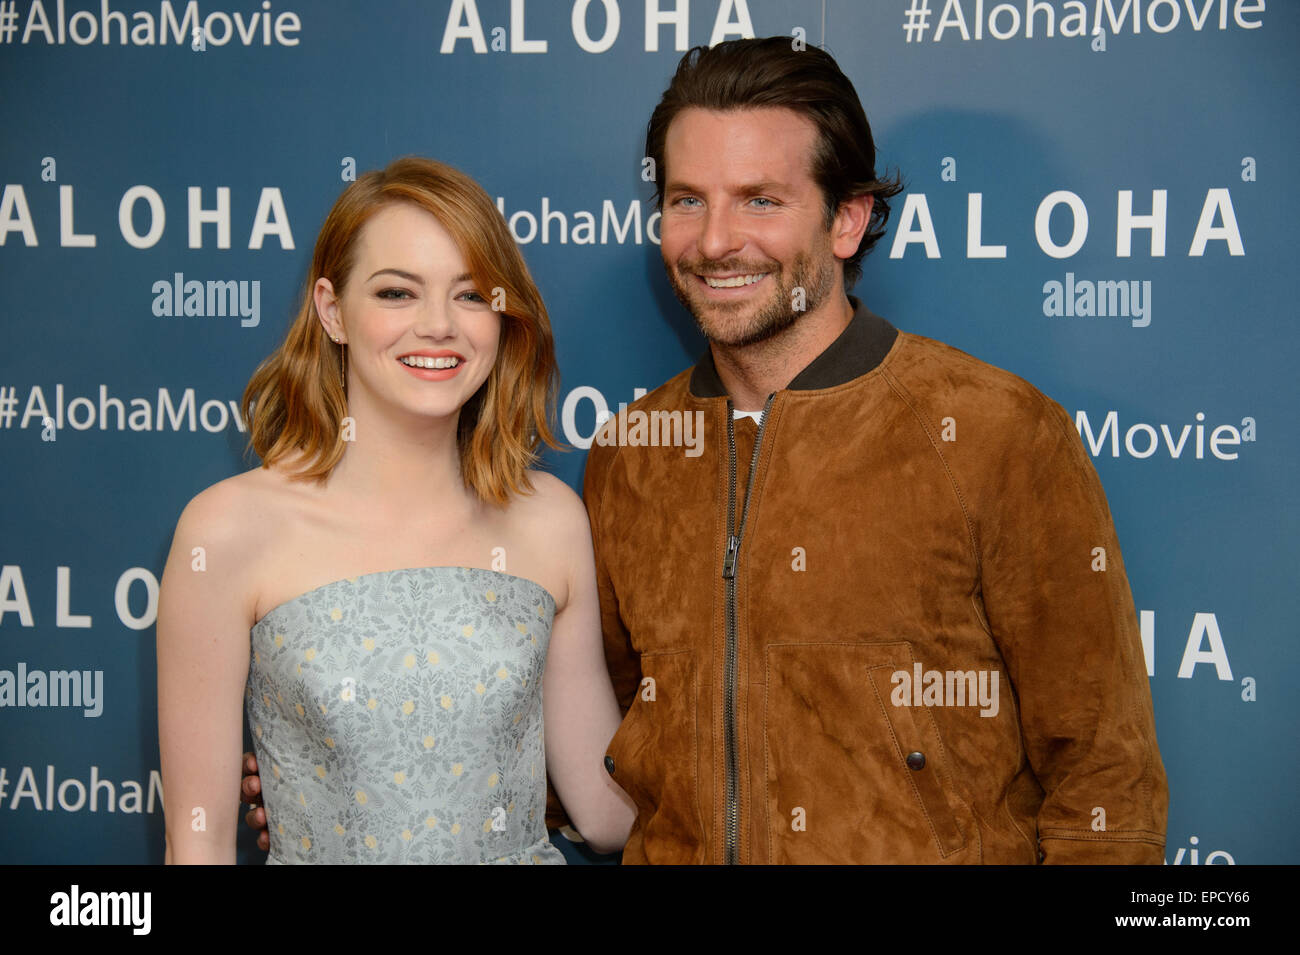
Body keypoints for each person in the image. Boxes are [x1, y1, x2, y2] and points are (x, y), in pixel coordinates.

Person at [582, 38, 1167, 863]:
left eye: (760, 200)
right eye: (687, 201)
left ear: (847, 218)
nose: (714, 241)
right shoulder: (630, 455)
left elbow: (1105, 779)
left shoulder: (997, 430)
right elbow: (607, 735)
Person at [158, 156, 634, 864]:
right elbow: (196, 846)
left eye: (472, 295)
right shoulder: (227, 532)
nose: (438, 326)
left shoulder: (550, 520)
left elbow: (604, 812)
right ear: (331, 310)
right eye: (396, 293)